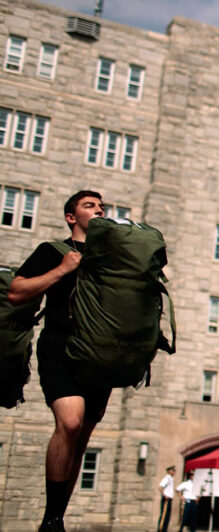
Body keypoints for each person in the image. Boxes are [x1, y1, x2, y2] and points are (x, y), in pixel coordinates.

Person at [9, 191, 111, 532]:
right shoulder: (52, 251)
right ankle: (51, 519)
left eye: (101, 207)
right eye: (89, 206)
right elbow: (17, 292)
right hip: (59, 348)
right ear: (71, 217)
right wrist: (63, 269)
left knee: (80, 439)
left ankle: (55, 519)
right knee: (70, 422)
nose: (98, 210)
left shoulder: (112, 255)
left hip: (99, 356)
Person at [158, 465, 177, 532]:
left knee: (168, 516)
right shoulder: (167, 478)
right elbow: (160, 487)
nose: (174, 472)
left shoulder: (171, 479)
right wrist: (164, 495)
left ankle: (165, 530)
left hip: (169, 499)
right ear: (170, 471)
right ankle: (160, 530)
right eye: (173, 470)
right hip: (166, 499)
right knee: (164, 515)